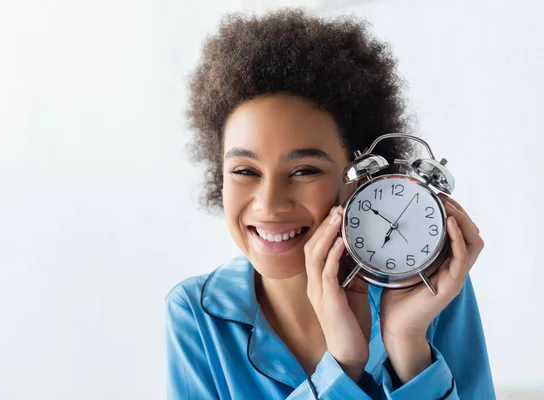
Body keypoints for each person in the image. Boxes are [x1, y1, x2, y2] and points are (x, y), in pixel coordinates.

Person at [166, 9, 495, 399]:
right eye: (244, 171)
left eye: (304, 170)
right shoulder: (198, 316)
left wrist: (408, 346)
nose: (269, 205)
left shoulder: (429, 287)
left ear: (358, 180)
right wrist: (341, 366)